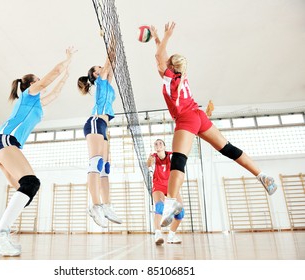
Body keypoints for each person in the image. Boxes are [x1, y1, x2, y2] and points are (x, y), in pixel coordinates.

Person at [150, 22, 278, 228]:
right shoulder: (178, 76)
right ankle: (262, 175)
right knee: (227, 148)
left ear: (171, 67)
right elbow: (161, 56)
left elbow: (159, 57)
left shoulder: (171, 79)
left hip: (187, 118)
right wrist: (157, 38)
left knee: (178, 161)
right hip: (199, 115)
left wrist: (166, 36)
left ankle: (171, 203)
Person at [0, 47, 76, 256]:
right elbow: (49, 79)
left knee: (25, 190)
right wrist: (67, 60)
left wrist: (67, 74)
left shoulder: (37, 103)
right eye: (38, 80)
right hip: (5, 140)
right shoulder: (28, 94)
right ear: (32, 84)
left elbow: (55, 92)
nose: (40, 82)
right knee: (31, 183)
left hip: (4, 144)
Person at [77, 45, 122, 228]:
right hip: (95, 122)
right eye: (99, 69)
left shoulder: (107, 84)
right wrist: (111, 39)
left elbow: (112, 63)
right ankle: (95, 206)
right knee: (95, 162)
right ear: (95, 75)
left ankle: (106, 205)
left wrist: (115, 50)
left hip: (103, 126)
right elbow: (109, 60)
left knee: (105, 167)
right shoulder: (100, 82)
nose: (102, 69)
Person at [147, 139, 184, 245]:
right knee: (159, 206)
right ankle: (158, 234)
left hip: (171, 186)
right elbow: (148, 164)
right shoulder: (153, 157)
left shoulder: (171, 156)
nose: (158, 145)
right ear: (154, 147)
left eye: (160, 143)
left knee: (181, 213)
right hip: (158, 186)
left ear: (164, 146)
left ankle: (171, 236)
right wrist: (150, 159)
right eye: (156, 144)